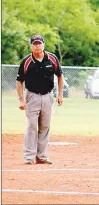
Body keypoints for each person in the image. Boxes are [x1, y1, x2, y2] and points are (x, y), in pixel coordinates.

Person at [16, 34, 64, 165]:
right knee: (32, 126)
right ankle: (29, 157)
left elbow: (60, 76)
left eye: (39, 43)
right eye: (35, 44)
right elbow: (19, 81)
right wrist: (21, 99)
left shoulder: (52, 58)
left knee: (45, 126)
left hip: (48, 96)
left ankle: (41, 156)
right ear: (31, 46)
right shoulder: (26, 61)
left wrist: (60, 95)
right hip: (32, 96)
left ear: (43, 45)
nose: (37, 46)